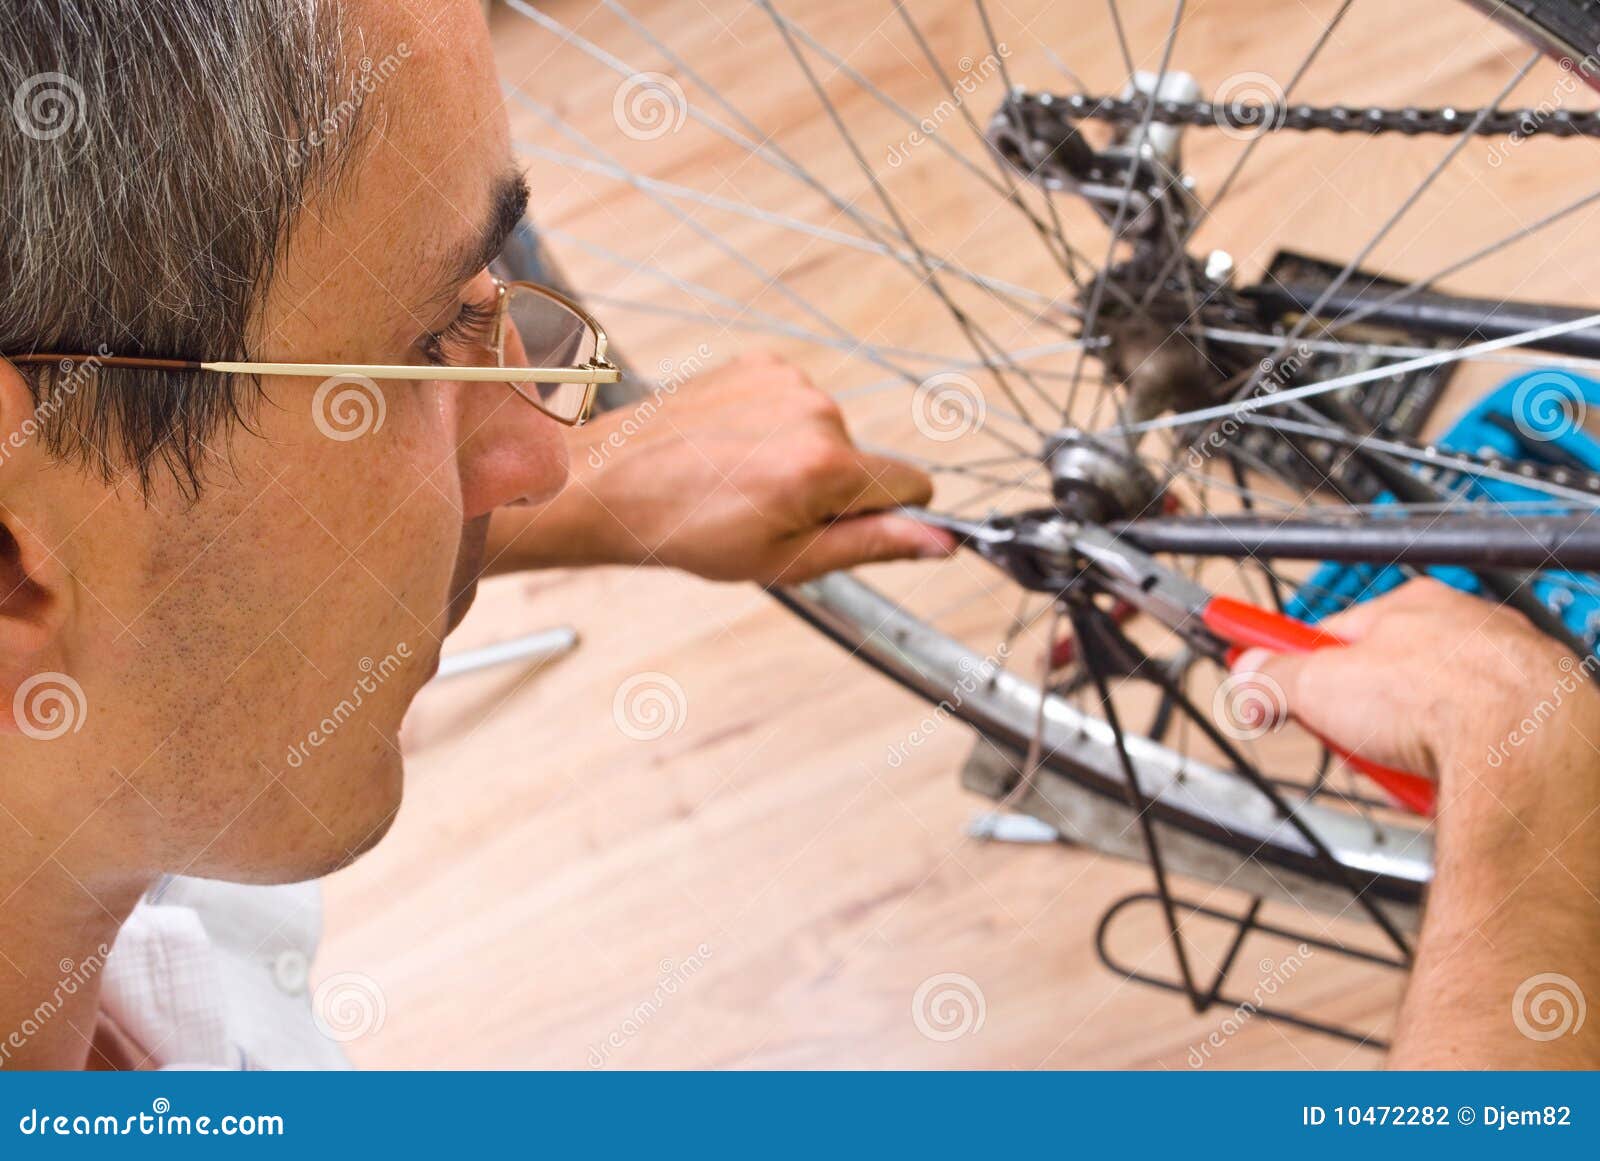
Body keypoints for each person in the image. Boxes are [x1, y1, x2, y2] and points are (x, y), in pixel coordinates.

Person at [0, 0, 1591, 1071]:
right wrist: (1532, 822)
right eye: (426, 345)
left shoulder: (110, 812)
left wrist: (624, 486)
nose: (538, 454)